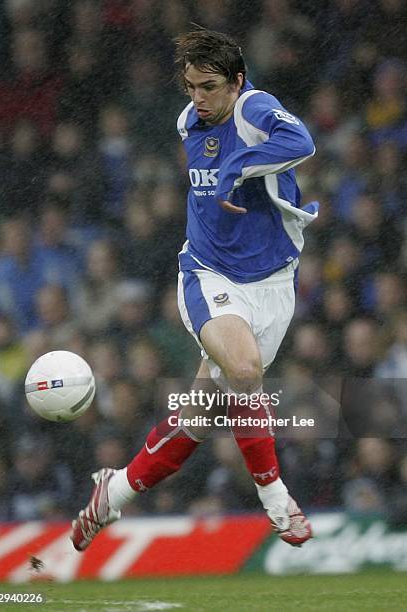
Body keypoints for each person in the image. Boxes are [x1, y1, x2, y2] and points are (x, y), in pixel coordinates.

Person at [71, 28, 318, 551]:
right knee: (246, 372)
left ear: (237, 83)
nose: (198, 100)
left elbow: (301, 142)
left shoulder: (255, 109)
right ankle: (278, 501)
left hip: (273, 282)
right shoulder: (189, 121)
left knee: (197, 419)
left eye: (208, 87)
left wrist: (237, 166)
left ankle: (110, 495)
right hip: (208, 276)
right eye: (190, 87)